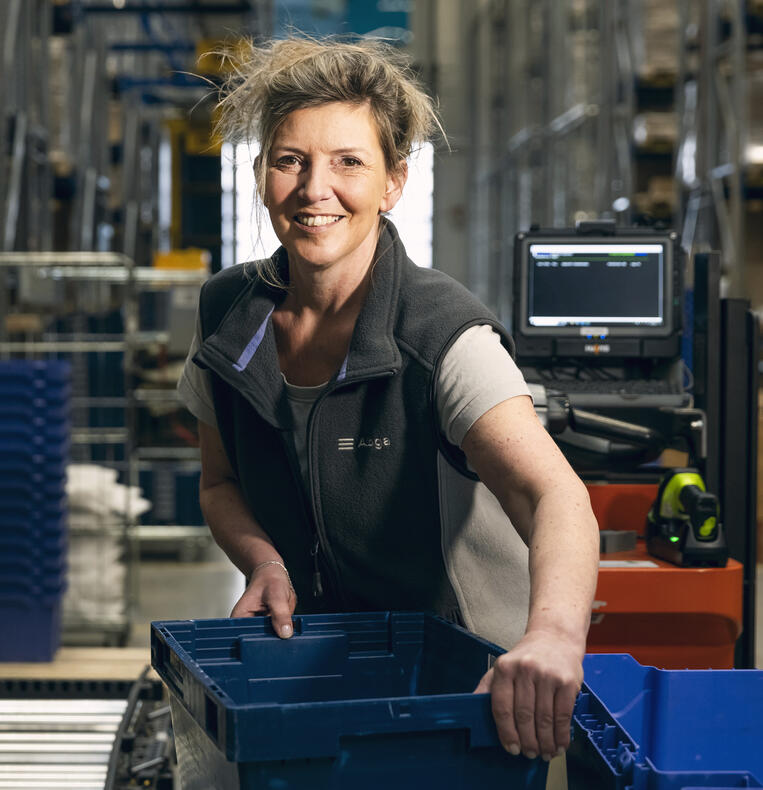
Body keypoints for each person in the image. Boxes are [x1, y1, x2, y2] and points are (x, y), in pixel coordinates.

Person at [178, 37, 600, 763]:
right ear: (259, 174)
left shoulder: (438, 332)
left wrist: (553, 638)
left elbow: (553, 496)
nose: (315, 188)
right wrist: (263, 562)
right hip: (319, 668)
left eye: (348, 162)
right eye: (290, 160)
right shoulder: (229, 313)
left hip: (466, 686)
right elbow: (218, 483)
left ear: (393, 183)